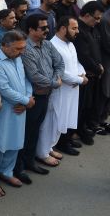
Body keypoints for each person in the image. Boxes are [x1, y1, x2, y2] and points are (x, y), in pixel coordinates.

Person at [15, 13, 64, 182]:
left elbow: (60, 63)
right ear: (31, 30)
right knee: (26, 132)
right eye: (43, 28)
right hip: (33, 97)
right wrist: (55, 82)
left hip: (45, 95)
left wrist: (56, 77)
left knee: (35, 130)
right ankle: (19, 167)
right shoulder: (26, 49)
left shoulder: (48, 44)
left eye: (47, 27)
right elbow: (34, 76)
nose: (47, 30)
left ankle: (30, 161)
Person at [0, 31, 33, 197]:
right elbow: (3, 88)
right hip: (5, 109)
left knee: (16, 142)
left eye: (23, 48)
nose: (21, 52)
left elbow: (26, 79)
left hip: (20, 107)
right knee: (1, 145)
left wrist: (28, 98)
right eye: (18, 49)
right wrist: (26, 101)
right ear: (5, 46)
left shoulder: (17, 56)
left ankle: (7, 172)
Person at [37, 16, 86, 159]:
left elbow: (75, 62)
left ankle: (49, 147)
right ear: (63, 28)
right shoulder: (53, 45)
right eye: (74, 28)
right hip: (59, 91)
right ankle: (42, 153)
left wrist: (81, 72)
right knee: (52, 121)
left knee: (61, 121)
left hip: (71, 90)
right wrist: (79, 79)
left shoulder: (70, 43)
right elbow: (60, 72)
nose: (77, 31)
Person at [73, 2, 105, 145]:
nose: (98, 22)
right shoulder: (79, 30)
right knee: (82, 107)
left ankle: (83, 128)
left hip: (93, 74)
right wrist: (97, 68)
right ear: (86, 15)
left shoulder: (91, 28)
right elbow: (83, 55)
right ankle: (77, 131)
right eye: (96, 18)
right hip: (84, 75)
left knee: (89, 105)